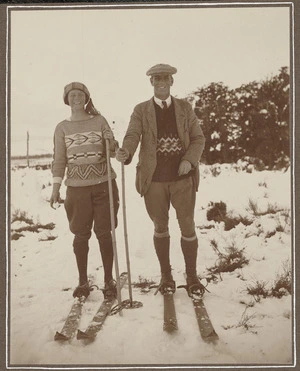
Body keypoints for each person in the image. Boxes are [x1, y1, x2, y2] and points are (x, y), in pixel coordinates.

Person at [116, 64, 206, 296]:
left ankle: (192, 275)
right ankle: (166, 276)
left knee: (187, 225)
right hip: (153, 180)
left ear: (172, 81)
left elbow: (198, 138)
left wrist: (189, 160)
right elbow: (133, 134)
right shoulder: (141, 110)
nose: (161, 82)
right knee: (160, 226)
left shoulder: (185, 108)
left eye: (165, 78)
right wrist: (126, 151)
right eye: (157, 79)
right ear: (151, 83)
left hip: (182, 179)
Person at [50, 82, 119, 299]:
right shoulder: (62, 127)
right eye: (72, 95)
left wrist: (113, 144)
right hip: (76, 189)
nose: (76, 98)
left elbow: (113, 150)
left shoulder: (99, 120)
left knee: (104, 232)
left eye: (80, 94)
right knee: (80, 235)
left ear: (86, 97)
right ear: (66, 100)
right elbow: (59, 159)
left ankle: (109, 281)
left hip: (104, 184)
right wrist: (55, 187)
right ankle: (82, 281)